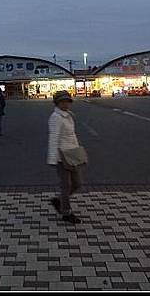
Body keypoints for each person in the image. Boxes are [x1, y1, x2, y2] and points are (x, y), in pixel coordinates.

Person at [47, 90, 83, 224]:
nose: (66, 104)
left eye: (67, 101)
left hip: (72, 154)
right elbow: (53, 138)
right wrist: (52, 158)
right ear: (57, 103)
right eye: (62, 101)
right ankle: (66, 212)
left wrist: (78, 151)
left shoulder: (68, 115)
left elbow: (72, 136)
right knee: (66, 185)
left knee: (77, 183)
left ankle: (59, 201)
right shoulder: (55, 117)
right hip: (61, 156)